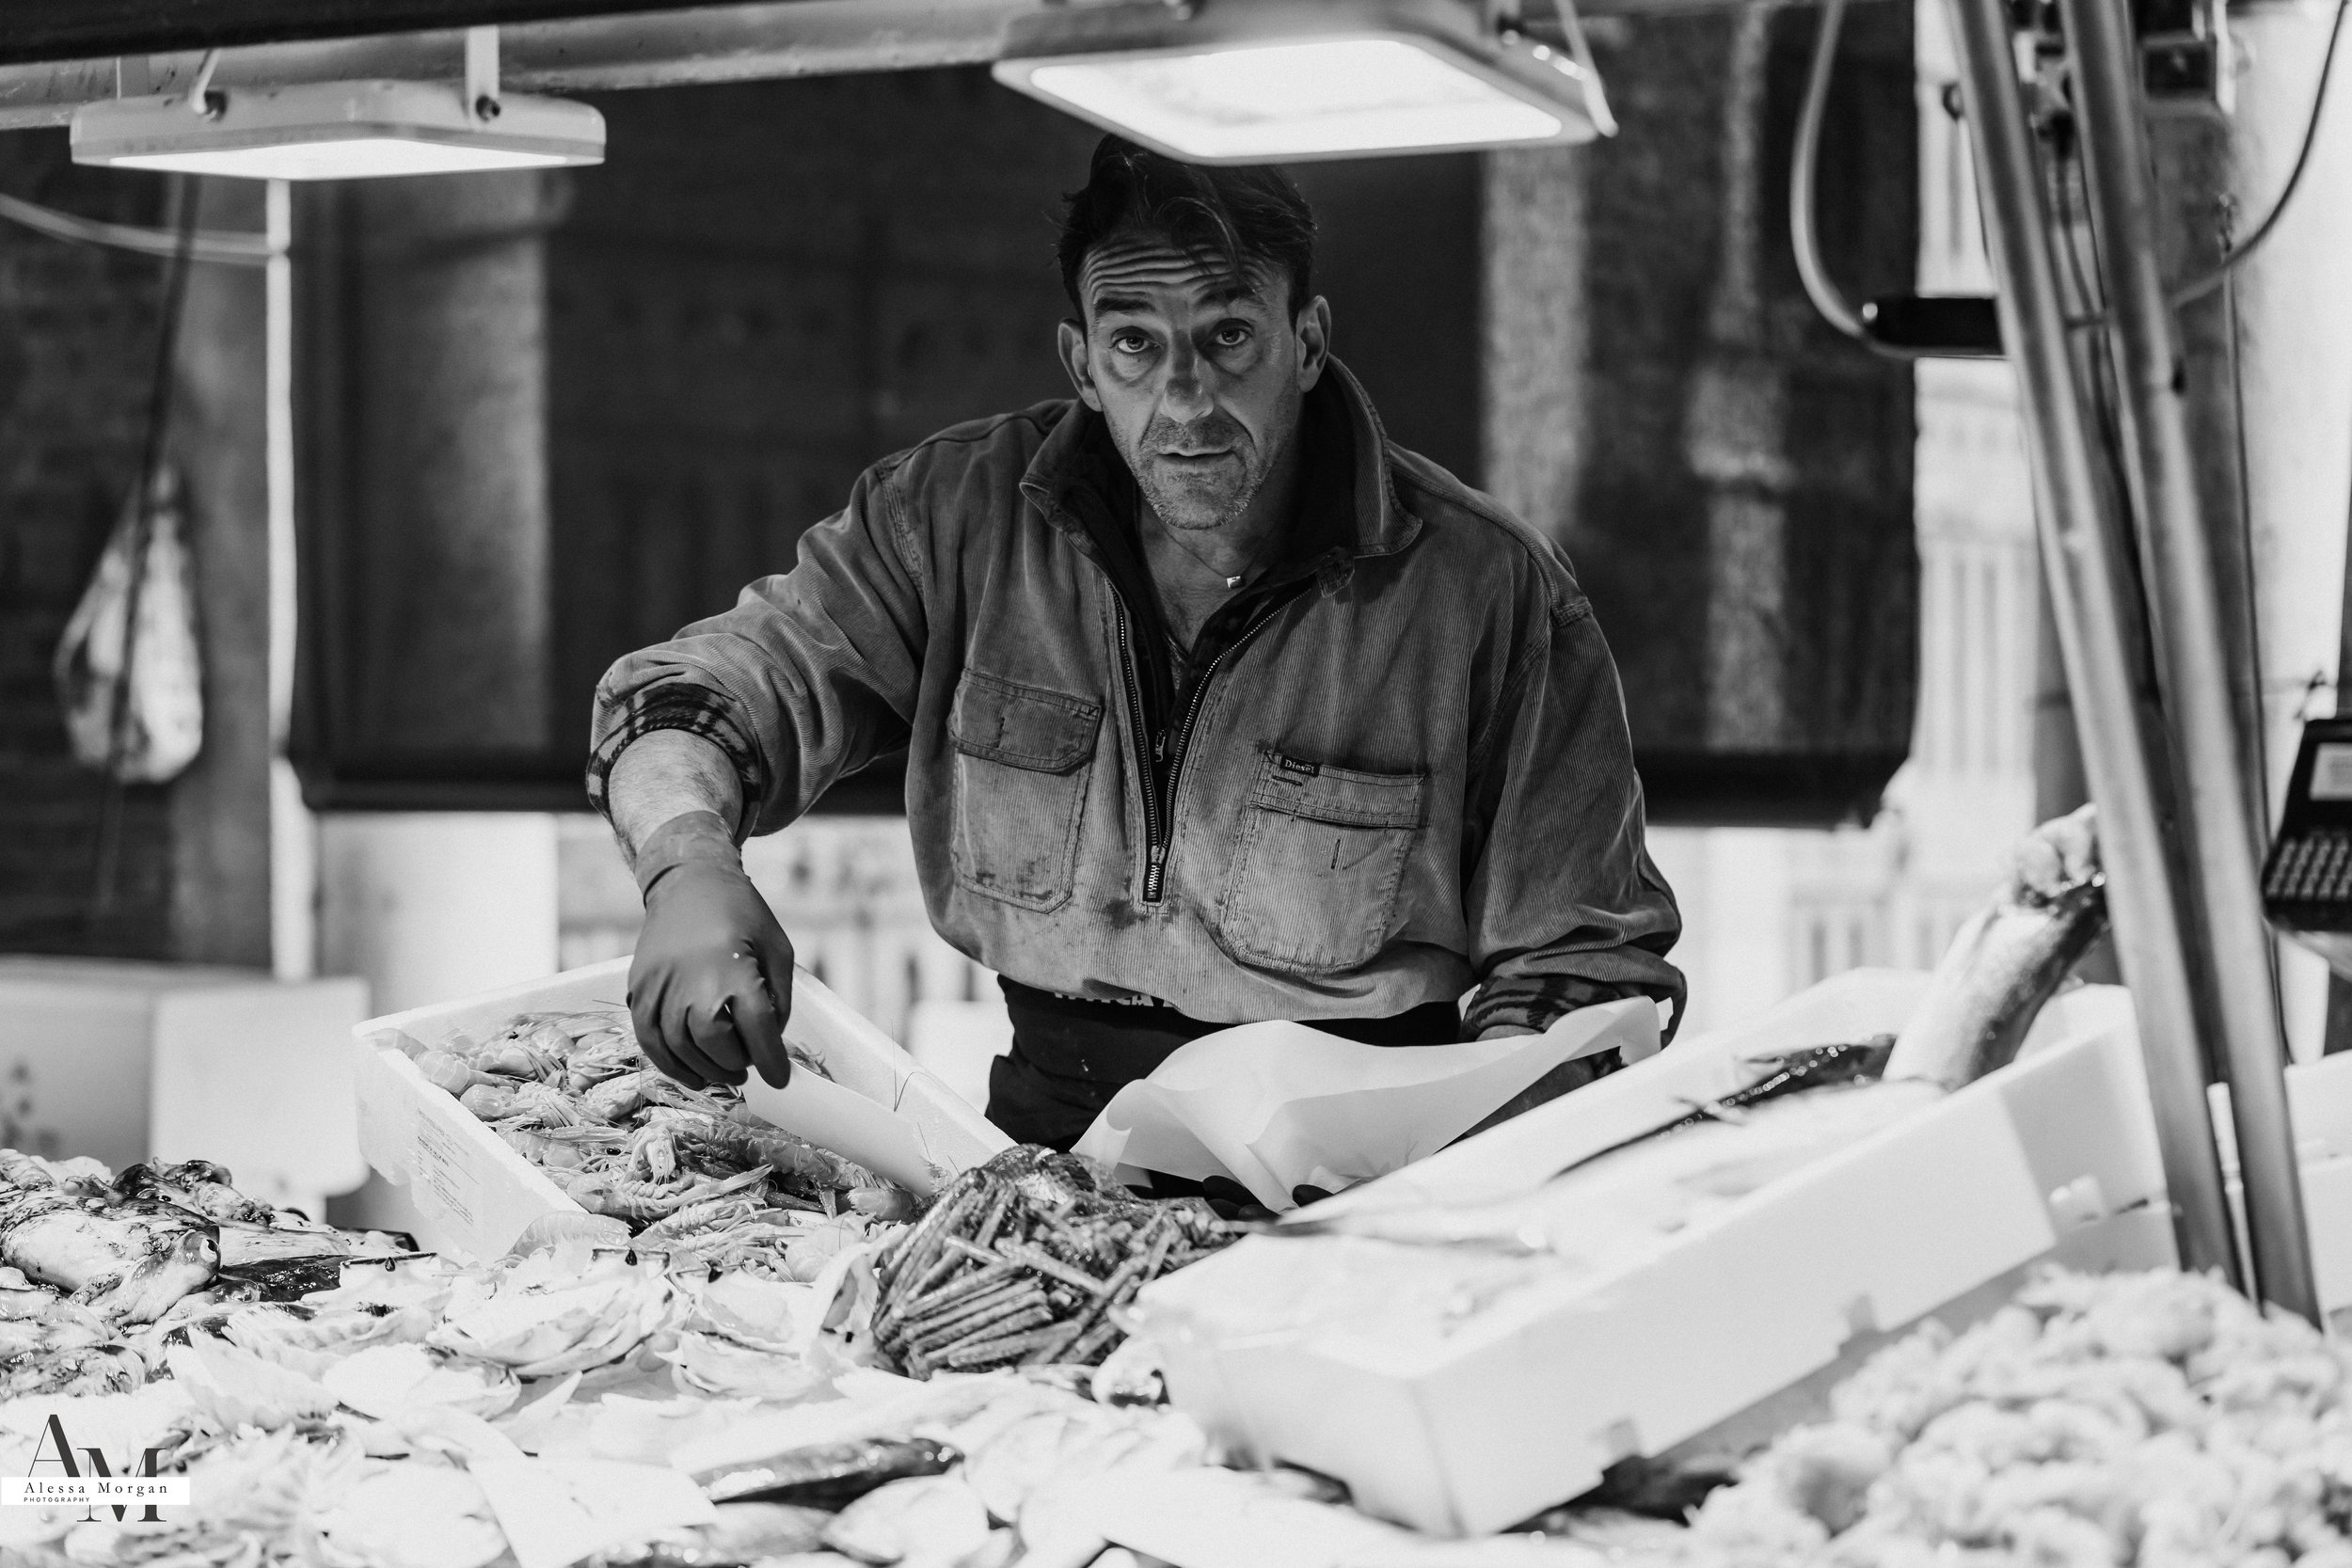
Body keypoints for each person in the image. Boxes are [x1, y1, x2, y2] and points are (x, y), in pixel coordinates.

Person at [590, 135, 1685, 1151]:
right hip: (1040, 1153)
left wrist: (1458, 1191)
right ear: (1081, 360)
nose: (1185, 397)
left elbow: (1581, 973)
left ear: (1304, 342)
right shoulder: (949, 521)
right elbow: (703, 693)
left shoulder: (1486, 590)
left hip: (1362, 1174)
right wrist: (687, 861)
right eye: (1134, 343)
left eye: (1226, 335)